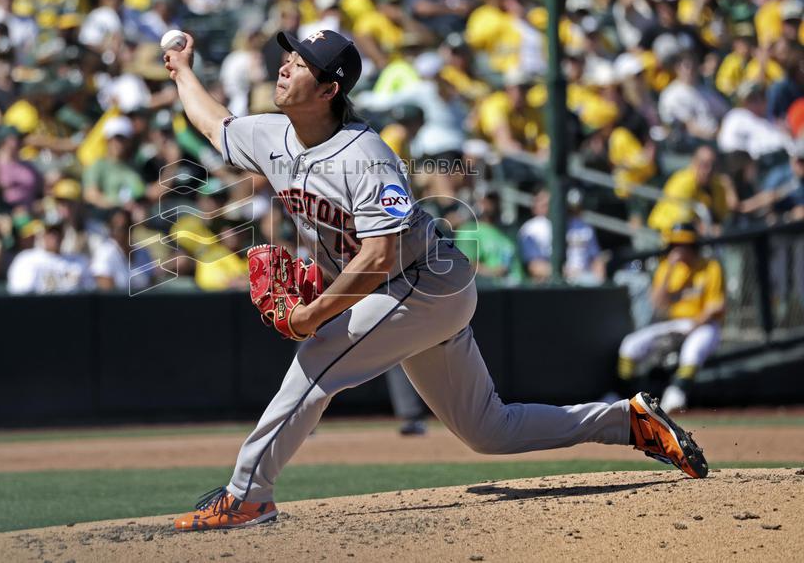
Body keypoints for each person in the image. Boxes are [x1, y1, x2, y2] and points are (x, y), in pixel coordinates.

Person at [163, 29, 708, 532]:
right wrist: (183, 71)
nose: (284, 67)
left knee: (317, 361)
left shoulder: (366, 156)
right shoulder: (271, 133)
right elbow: (215, 123)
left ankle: (248, 494)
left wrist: (313, 313)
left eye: (300, 63)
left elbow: (379, 256)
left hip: (426, 284)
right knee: (487, 429)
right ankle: (627, 422)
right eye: (288, 56)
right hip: (399, 293)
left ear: (329, 88)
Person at [616, 224, 725, 414]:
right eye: (675, 244)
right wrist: (670, 270)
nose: (679, 249)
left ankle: (676, 394)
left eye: (683, 244)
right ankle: (624, 397)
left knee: (693, 349)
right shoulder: (668, 267)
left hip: (705, 324)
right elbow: (658, 302)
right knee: (630, 344)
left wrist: (695, 324)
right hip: (675, 323)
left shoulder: (710, 266)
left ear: (693, 245)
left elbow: (717, 306)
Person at [6, 213, 93, 294]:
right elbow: (22, 297)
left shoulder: (79, 261)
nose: (55, 236)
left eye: (58, 231)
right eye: (50, 231)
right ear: (41, 234)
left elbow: (90, 293)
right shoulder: (26, 260)